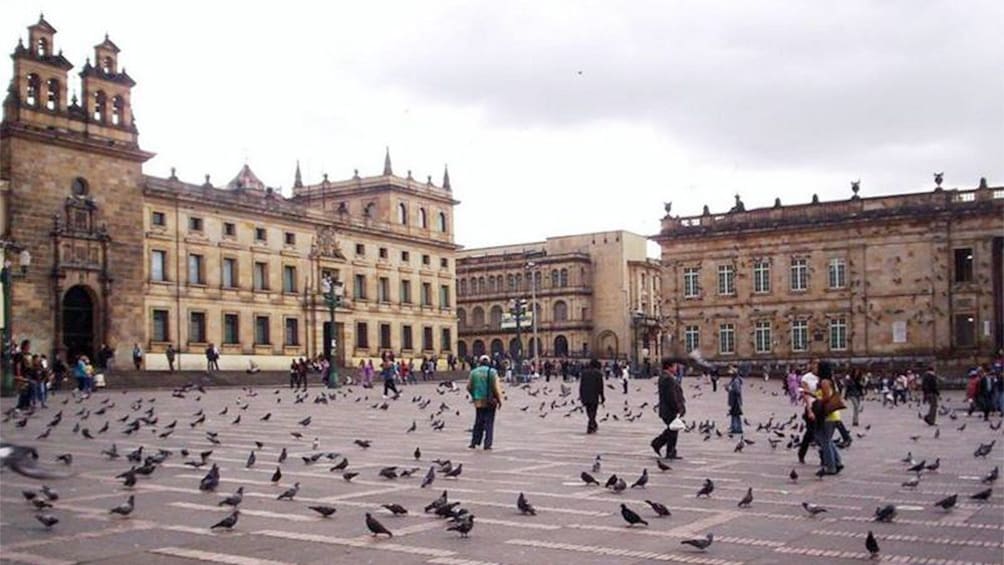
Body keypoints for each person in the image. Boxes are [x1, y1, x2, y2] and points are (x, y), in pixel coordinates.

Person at [651, 358, 686, 460]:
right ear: (670, 367)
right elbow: (671, 396)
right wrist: (677, 408)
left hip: (667, 409)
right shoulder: (668, 379)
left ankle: (664, 447)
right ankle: (660, 445)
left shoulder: (666, 377)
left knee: (672, 430)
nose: (676, 368)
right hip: (669, 410)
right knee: (673, 430)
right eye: (675, 366)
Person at [467, 354, 503, 449]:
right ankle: (487, 444)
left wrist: (474, 395)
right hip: (490, 401)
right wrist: (499, 400)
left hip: (478, 401)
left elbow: (469, 387)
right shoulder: (492, 372)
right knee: (489, 423)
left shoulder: (473, 372)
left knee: (478, 422)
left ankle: (474, 442)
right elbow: (496, 388)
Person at [811, 377, 844, 476]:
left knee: (824, 441)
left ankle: (831, 467)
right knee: (827, 440)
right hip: (833, 415)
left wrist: (817, 401)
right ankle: (837, 462)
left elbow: (826, 398)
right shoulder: (832, 381)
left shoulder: (825, 382)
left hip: (827, 416)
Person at [579, 358, 605, 434]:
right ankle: (591, 425)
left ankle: (592, 425)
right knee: (593, 411)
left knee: (589, 411)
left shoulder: (584, 373)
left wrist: (581, 396)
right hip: (594, 395)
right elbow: (600, 387)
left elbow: (581, 386)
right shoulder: (598, 374)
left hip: (586, 395)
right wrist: (602, 396)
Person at [12, 340, 33, 412]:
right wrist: (19, 375)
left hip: (28, 374)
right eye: (28, 345)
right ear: (25, 346)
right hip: (23, 375)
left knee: (29, 389)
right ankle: (20, 405)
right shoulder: (20, 355)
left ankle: (26, 404)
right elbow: (18, 365)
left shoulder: (29, 354)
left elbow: (30, 365)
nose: (29, 347)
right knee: (24, 390)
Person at [727, 367, 743, 436]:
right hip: (734, 400)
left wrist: (730, 389)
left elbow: (737, 391)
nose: (730, 375)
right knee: (735, 414)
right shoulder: (733, 380)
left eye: (731, 374)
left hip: (735, 400)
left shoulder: (736, 381)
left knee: (735, 414)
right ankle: (736, 428)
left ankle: (736, 429)